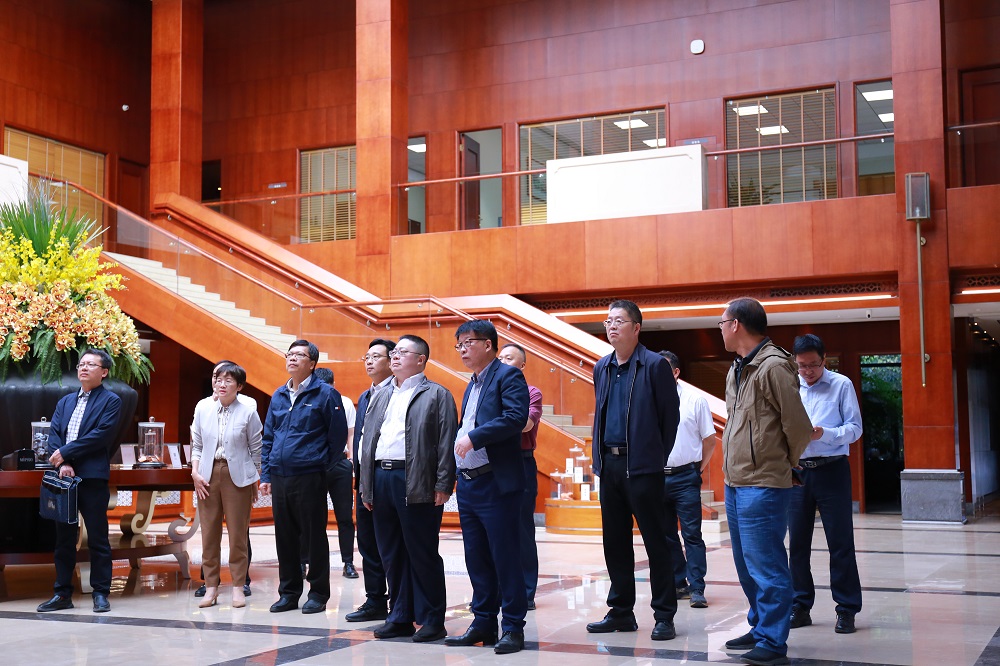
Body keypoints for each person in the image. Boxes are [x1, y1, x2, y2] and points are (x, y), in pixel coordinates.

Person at [718, 298, 813, 666]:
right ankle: (760, 627)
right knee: (747, 564)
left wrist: (785, 464)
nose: (720, 329)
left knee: (767, 564)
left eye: (722, 323)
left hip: (763, 482)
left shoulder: (773, 366)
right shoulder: (738, 368)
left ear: (736, 324)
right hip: (736, 480)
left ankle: (773, 641)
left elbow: (798, 426)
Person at [586, 300, 680, 642]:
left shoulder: (654, 365)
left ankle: (664, 615)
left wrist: (653, 457)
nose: (611, 326)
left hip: (643, 468)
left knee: (656, 541)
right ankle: (621, 611)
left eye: (619, 321)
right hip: (609, 466)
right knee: (615, 542)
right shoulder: (602, 366)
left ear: (636, 328)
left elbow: (670, 418)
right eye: (608, 321)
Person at [359, 335, 458, 643]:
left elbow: (446, 441)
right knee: (391, 552)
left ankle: (432, 619)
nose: (395, 356)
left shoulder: (437, 394)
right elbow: (368, 440)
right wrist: (366, 486)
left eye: (403, 352)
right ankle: (400, 615)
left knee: (421, 551)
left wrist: (444, 483)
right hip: (381, 477)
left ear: (421, 359)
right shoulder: (381, 394)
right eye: (394, 352)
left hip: (416, 479)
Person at [445, 319, 530, 655]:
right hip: (469, 484)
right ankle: (483, 623)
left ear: (489, 344)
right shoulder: (472, 383)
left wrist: (474, 437)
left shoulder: (508, 376)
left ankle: (513, 627)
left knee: (504, 557)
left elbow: (515, 418)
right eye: (459, 344)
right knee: (476, 558)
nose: (463, 349)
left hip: (496, 482)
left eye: (469, 342)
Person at [259, 339, 348, 615]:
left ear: (312, 364)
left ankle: (318, 594)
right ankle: (288, 593)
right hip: (280, 475)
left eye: (299, 355)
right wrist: (266, 473)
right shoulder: (278, 395)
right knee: (285, 536)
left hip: (310, 474)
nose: (292, 358)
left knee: (313, 536)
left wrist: (320, 464)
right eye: (290, 354)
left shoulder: (326, 394)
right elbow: (269, 437)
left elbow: (337, 437)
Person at [788, 334, 863, 634]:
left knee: (840, 542)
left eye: (813, 365)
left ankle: (846, 609)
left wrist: (825, 434)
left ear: (824, 359)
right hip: (797, 472)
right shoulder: (790, 387)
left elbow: (855, 429)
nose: (807, 371)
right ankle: (799, 606)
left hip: (832, 470)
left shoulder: (841, 385)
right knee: (797, 545)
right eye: (802, 365)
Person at [37, 348, 122, 614]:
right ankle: (62, 593)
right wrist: (63, 462)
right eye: (81, 364)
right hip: (64, 478)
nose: (84, 368)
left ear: (104, 372)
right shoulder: (65, 402)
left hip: (93, 477)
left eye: (91, 365)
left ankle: (100, 593)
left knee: (97, 537)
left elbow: (101, 435)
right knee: (64, 539)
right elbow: (54, 435)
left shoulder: (111, 401)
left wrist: (66, 453)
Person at [189, 361, 262, 609]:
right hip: (207, 475)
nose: (221, 384)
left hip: (237, 475)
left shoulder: (248, 411)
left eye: (228, 380)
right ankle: (211, 587)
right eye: (218, 379)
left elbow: (256, 449)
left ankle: (239, 586)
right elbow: (197, 445)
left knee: (238, 535)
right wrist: (195, 473)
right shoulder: (203, 407)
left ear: (239, 386)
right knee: (209, 534)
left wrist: (254, 480)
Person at [658, 350, 716, 609]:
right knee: (666, 534)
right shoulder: (648, 399)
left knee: (692, 534)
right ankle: (678, 581)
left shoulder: (695, 400)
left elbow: (710, 440)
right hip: (657, 477)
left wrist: (697, 470)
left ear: (676, 372)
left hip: (686, 477)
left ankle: (697, 587)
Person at [345, 338, 396, 622]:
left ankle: (399, 602)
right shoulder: (366, 395)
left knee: (390, 543)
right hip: (364, 479)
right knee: (367, 542)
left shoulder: (397, 392)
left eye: (376, 356)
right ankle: (375, 599)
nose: (369, 361)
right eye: (367, 357)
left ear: (391, 360)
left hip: (386, 477)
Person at [498, 343, 542, 610]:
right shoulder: (488, 389)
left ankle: (526, 592)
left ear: (522, 365)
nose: (503, 361)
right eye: (500, 357)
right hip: (493, 463)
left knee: (522, 529)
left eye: (509, 358)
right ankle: (498, 590)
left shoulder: (531, 392)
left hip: (521, 461)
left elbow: (525, 424)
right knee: (494, 529)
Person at [309, 367, 359, 580]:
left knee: (345, 516)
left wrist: (352, 461)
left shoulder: (345, 402)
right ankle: (308, 562)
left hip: (340, 463)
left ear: (333, 386)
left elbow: (351, 433)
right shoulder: (308, 401)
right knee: (312, 517)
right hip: (314, 465)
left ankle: (348, 562)